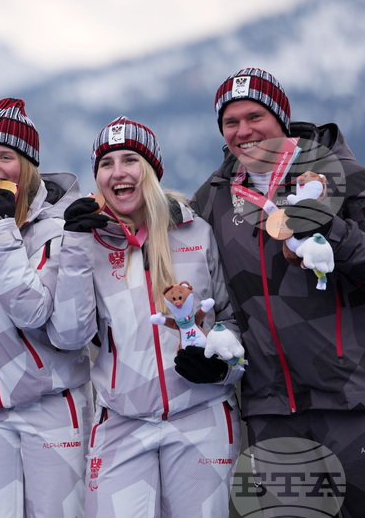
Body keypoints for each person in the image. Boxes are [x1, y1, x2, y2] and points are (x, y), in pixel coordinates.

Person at [191, 67, 365, 517]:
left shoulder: (346, 180)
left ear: (281, 116)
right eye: (230, 121)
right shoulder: (215, 199)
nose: (243, 131)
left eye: (254, 116)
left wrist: (334, 233)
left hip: (354, 404)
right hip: (271, 414)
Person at [57, 116, 243, 517]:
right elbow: (70, 335)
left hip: (201, 419)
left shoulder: (195, 231)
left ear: (152, 171)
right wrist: (71, 246)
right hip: (122, 422)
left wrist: (223, 368)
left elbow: (231, 320)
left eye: (130, 160)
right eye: (106, 164)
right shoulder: (87, 242)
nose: (118, 172)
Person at [0, 98, 92, 518]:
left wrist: (1, 230)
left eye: (5, 157)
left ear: (27, 166)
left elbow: (31, 312)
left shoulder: (57, 230)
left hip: (50, 404)